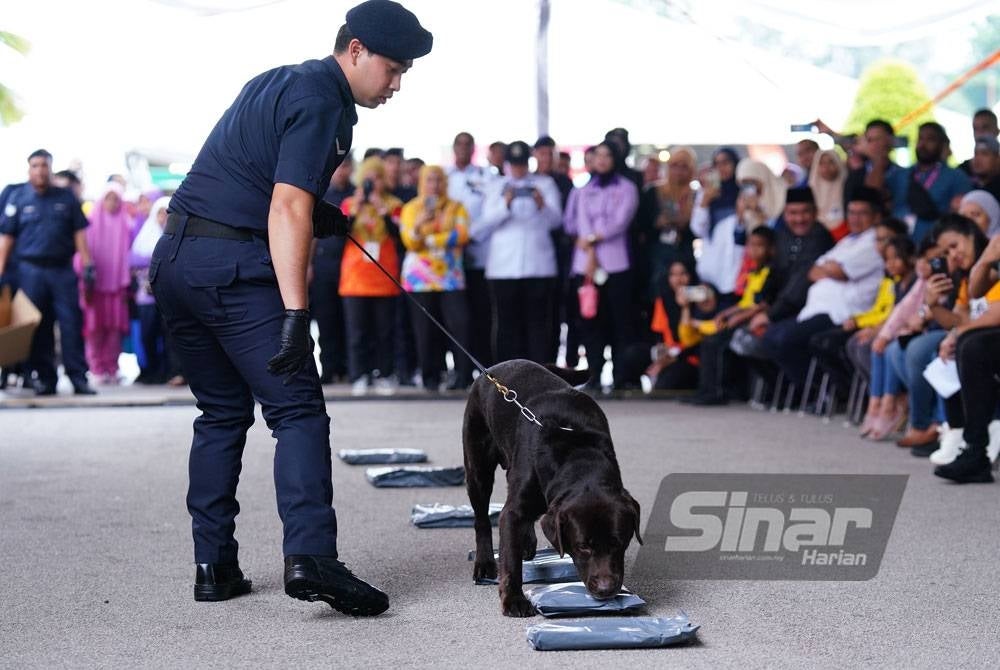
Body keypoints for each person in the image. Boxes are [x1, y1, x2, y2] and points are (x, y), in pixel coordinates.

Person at [151, 0, 432, 615]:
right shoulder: (324, 99)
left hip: (176, 261)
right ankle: (312, 558)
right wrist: (296, 314)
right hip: (233, 269)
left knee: (221, 414)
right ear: (354, 49)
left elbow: (248, 174)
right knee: (298, 410)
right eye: (392, 68)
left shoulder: (276, 79)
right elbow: (284, 205)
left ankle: (214, 566)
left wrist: (317, 211)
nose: (397, 83)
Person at [762, 187, 884, 389]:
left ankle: (823, 392)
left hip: (842, 313)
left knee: (785, 340)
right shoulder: (847, 241)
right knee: (770, 337)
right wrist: (831, 269)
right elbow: (813, 271)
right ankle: (812, 392)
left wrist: (830, 269)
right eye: (851, 212)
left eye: (862, 213)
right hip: (815, 309)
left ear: (876, 216)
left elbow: (838, 271)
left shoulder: (874, 241)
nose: (855, 218)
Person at [0, 150, 96, 396]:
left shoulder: (66, 197)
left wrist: (87, 265)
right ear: (28, 169)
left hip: (61, 270)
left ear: (51, 168)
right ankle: (46, 378)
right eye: (35, 165)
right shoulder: (18, 198)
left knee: (71, 323)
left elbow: (79, 233)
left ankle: (78, 378)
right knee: (36, 326)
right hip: (30, 271)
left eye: (44, 165)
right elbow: (7, 239)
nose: (40, 170)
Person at [892, 214, 990, 449]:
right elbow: (957, 319)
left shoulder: (989, 265)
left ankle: (955, 432)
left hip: (986, 340)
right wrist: (934, 305)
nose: (952, 256)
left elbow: (992, 316)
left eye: (954, 246)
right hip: (978, 337)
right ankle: (947, 430)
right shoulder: (967, 276)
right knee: (932, 350)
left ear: (971, 235)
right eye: (945, 253)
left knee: (961, 347)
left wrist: (956, 334)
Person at [475, 140, 562, 364]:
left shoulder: (545, 184)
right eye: (514, 164)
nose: (518, 169)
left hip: (538, 264)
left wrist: (541, 203)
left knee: (538, 323)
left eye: (522, 164)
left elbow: (556, 221)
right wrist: (506, 203)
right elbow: (486, 221)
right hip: (503, 267)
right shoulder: (497, 186)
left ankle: (540, 371)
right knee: (506, 323)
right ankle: (506, 374)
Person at [563, 141, 639, 389]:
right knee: (590, 322)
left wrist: (595, 238)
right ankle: (593, 374)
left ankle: (620, 376)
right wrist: (588, 247)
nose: (603, 160)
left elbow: (620, 221)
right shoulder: (583, 190)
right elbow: (576, 223)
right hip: (586, 264)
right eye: (598, 156)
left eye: (608, 155)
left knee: (619, 321)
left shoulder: (627, 188)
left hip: (616, 263)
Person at [688, 226, 784, 405]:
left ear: (771, 248)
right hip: (742, 318)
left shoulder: (771, 273)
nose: (753, 250)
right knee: (707, 340)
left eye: (759, 246)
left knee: (715, 342)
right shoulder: (754, 271)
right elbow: (745, 303)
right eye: (751, 245)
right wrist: (725, 313)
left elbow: (761, 305)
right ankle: (704, 389)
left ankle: (716, 392)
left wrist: (735, 320)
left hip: (754, 322)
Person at [399, 165, 472, 390]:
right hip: (420, 278)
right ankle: (430, 377)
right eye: (429, 180)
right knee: (425, 329)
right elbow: (410, 241)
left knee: (459, 324)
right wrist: (421, 224)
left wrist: (429, 240)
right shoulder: (411, 208)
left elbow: (461, 235)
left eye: (439, 180)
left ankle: (462, 376)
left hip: (450, 277)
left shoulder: (456, 207)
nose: (434, 185)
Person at [339, 156, 404, 395]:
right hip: (355, 278)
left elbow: (398, 236)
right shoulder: (349, 203)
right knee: (357, 332)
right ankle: (359, 375)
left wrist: (381, 210)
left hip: (385, 276)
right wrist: (356, 208)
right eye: (367, 178)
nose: (371, 183)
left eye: (376, 177)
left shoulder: (394, 204)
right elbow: (340, 233)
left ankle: (385, 374)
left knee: (385, 331)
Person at [446, 131, 495, 368]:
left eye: (468, 145)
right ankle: (459, 369)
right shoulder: (444, 176)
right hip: (448, 257)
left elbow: (491, 211)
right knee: (456, 318)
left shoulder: (485, 176)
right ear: (454, 148)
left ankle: (484, 367)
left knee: (481, 312)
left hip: (479, 252)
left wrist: (471, 235)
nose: (464, 148)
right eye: (460, 144)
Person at [79, 182, 132, 384]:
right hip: (95, 286)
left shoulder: (125, 223)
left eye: (116, 199)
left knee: (114, 329)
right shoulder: (90, 223)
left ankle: (112, 366)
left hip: (118, 286)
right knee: (94, 328)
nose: (112, 203)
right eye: (108, 198)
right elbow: (81, 252)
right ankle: (96, 367)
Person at [887, 122, 971, 243]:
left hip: (932, 244)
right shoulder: (900, 175)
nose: (923, 144)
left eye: (930, 139)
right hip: (897, 246)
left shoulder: (957, 177)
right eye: (920, 138)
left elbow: (962, 217)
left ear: (941, 145)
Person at [310, 156, 354, 383]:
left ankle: (348, 369)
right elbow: (312, 234)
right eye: (337, 167)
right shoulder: (321, 194)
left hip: (351, 269)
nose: (340, 171)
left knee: (349, 322)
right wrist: (308, 265)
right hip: (324, 267)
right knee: (326, 321)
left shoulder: (357, 195)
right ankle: (328, 370)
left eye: (345, 166)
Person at [130, 196, 178, 385]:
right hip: (146, 297)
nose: (163, 217)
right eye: (160, 213)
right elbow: (132, 261)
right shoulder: (145, 236)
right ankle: (151, 370)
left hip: (171, 296)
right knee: (147, 334)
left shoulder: (176, 236)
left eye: (167, 213)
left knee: (170, 336)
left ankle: (171, 372)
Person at [644, 147, 698, 300]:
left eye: (684, 166)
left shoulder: (696, 195)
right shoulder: (653, 192)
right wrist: (657, 223)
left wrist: (684, 223)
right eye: (675, 166)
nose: (679, 171)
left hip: (684, 253)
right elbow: (641, 226)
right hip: (657, 257)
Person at [808, 149, 847, 239]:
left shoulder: (847, 187)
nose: (826, 167)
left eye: (831, 162)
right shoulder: (811, 190)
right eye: (822, 163)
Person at [958, 109, 999, 177]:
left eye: (985, 127)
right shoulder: (962, 171)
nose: (980, 133)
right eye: (975, 128)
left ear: (997, 131)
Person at [968, 136, 1000, 202]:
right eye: (975, 153)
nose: (977, 159)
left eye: (984, 154)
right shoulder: (967, 186)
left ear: (997, 159)